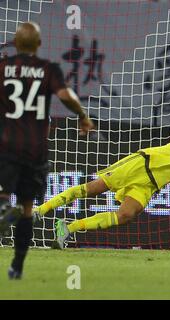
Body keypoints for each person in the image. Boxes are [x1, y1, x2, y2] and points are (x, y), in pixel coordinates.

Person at [34, 113, 170, 249]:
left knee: (126, 215)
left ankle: (67, 228)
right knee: (93, 188)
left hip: (150, 183)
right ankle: (41, 210)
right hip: (143, 164)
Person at [0, 22, 95, 279]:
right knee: (28, 208)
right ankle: (17, 265)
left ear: (16, 44)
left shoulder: (3, 67)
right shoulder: (48, 69)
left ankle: (4, 209)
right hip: (36, 150)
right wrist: (83, 116)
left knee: (4, 191)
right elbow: (66, 96)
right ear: (39, 45)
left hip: (8, 144)